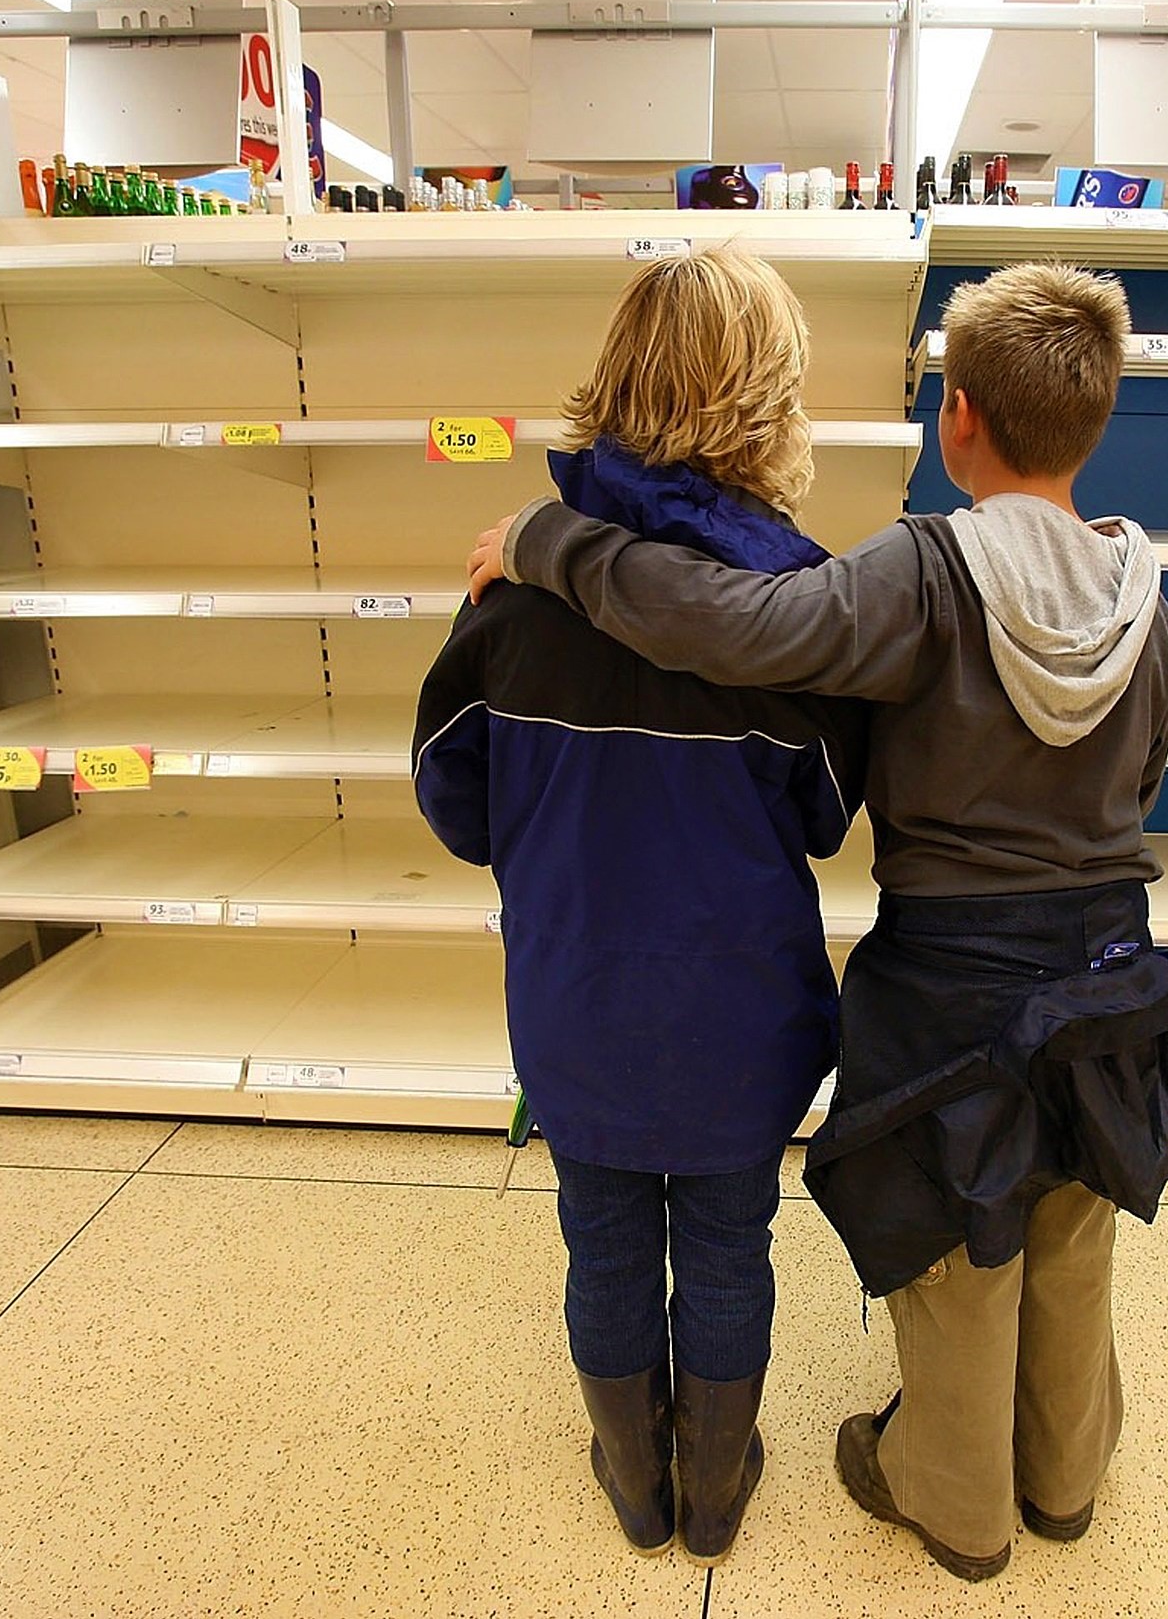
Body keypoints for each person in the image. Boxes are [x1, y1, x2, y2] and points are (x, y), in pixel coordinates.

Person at [466, 261, 1168, 1582]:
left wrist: (544, 539)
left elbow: (735, 627)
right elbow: (1141, 775)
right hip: (1110, 967)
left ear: (957, 415)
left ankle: (954, 1502)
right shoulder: (1150, 602)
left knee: (964, 1246)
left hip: (953, 985)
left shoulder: (921, 573)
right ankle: (1067, 1477)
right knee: (1075, 1226)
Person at [411, 247, 865, 1566]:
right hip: (743, 1013)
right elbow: (827, 811)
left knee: (602, 1242)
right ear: (769, 401)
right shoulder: (798, 609)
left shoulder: (514, 591)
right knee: (729, 1243)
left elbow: (455, 802)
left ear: (613, 380)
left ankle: (634, 1479)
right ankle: (719, 1491)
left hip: (577, 1003)